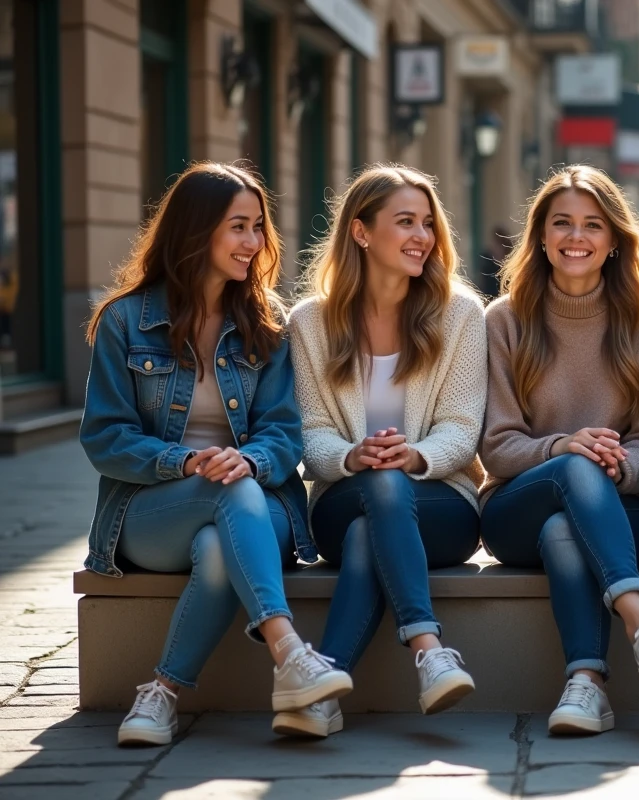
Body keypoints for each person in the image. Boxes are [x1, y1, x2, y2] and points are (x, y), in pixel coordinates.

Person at [79, 162, 352, 747]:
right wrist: (183, 462)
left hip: (257, 505)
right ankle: (289, 652)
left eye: (258, 228)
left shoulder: (266, 323)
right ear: (195, 230)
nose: (254, 244)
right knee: (219, 492)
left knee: (220, 537)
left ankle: (162, 693)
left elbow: (284, 433)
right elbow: (105, 437)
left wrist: (249, 459)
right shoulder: (125, 321)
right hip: (153, 512)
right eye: (238, 227)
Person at [285, 165, 487, 737]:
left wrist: (414, 456)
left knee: (369, 524)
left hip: (442, 506)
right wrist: (354, 457)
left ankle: (320, 692)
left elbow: (461, 425)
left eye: (427, 223)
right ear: (361, 232)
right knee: (373, 492)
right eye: (405, 222)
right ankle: (427, 646)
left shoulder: (461, 314)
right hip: (340, 498)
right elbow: (312, 432)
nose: (422, 235)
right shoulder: (309, 323)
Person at [479, 165, 639, 736]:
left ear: (615, 240)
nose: (576, 237)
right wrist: (566, 449)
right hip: (516, 506)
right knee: (570, 470)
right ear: (541, 236)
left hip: (625, 506)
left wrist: (618, 465)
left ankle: (586, 684)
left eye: (593, 225)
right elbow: (495, 446)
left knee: (564, 531)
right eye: (562, 223)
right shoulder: (505, 320)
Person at [475, 226, 510, 300]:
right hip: (488, 298)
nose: (494, 247)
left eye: (498, 244)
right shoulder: (486, 261)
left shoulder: (510, 264)